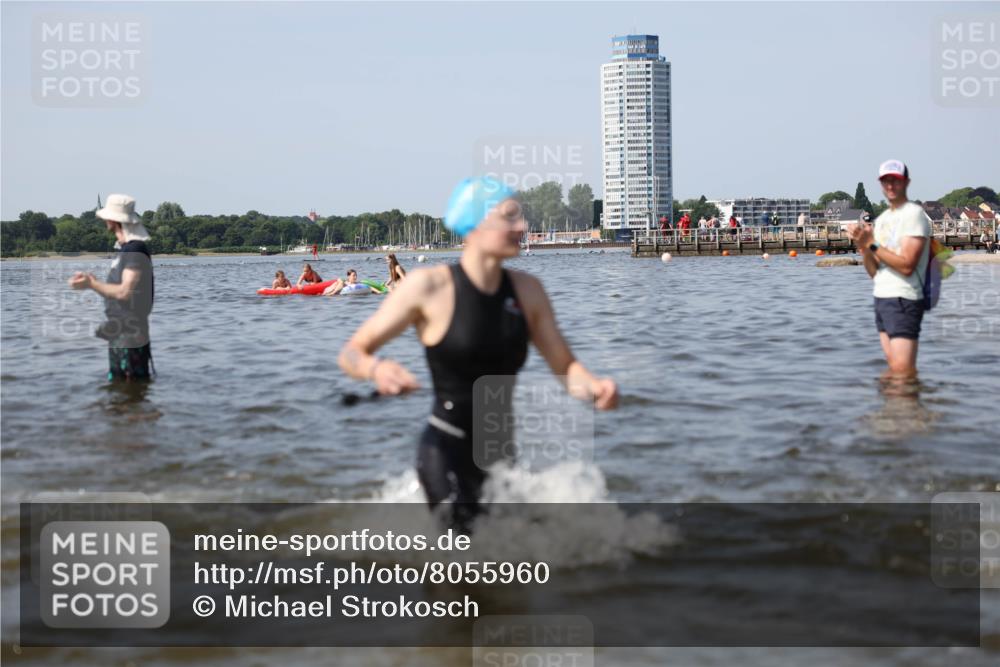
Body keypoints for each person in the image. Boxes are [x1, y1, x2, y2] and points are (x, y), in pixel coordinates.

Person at [338, 177, 618, 530]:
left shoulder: (528, 291)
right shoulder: (429, 287)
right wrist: (375, 369)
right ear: (476, 223)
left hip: (500, 455)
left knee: (512, 564)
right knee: (464, 554)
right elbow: (352, 352)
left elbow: (565, 365)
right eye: (511, 217)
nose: (523, 226)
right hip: (445, 448)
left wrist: (593, 387)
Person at [847, 160, 931, 377]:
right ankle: (892, 410)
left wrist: (872, 244)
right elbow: (875, 272)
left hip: (904, 298)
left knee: (903, 371)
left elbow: (906, 265)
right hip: (882, 297)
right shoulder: (883, 219)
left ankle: (911, 409)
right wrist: (864, 248)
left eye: (896, 180)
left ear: (906, 182)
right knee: (894, 369)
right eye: (886, 181)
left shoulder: (913, 214)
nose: (891, 186)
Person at [68, 194, 154, 381]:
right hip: (122, 332)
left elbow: (125, 292)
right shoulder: (126, 250)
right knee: (122, 390)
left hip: (130, 335)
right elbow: (119, 289)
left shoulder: (134, 249)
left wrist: (91, 284)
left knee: (129, 391)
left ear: (113, 220)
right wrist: (92, 281)